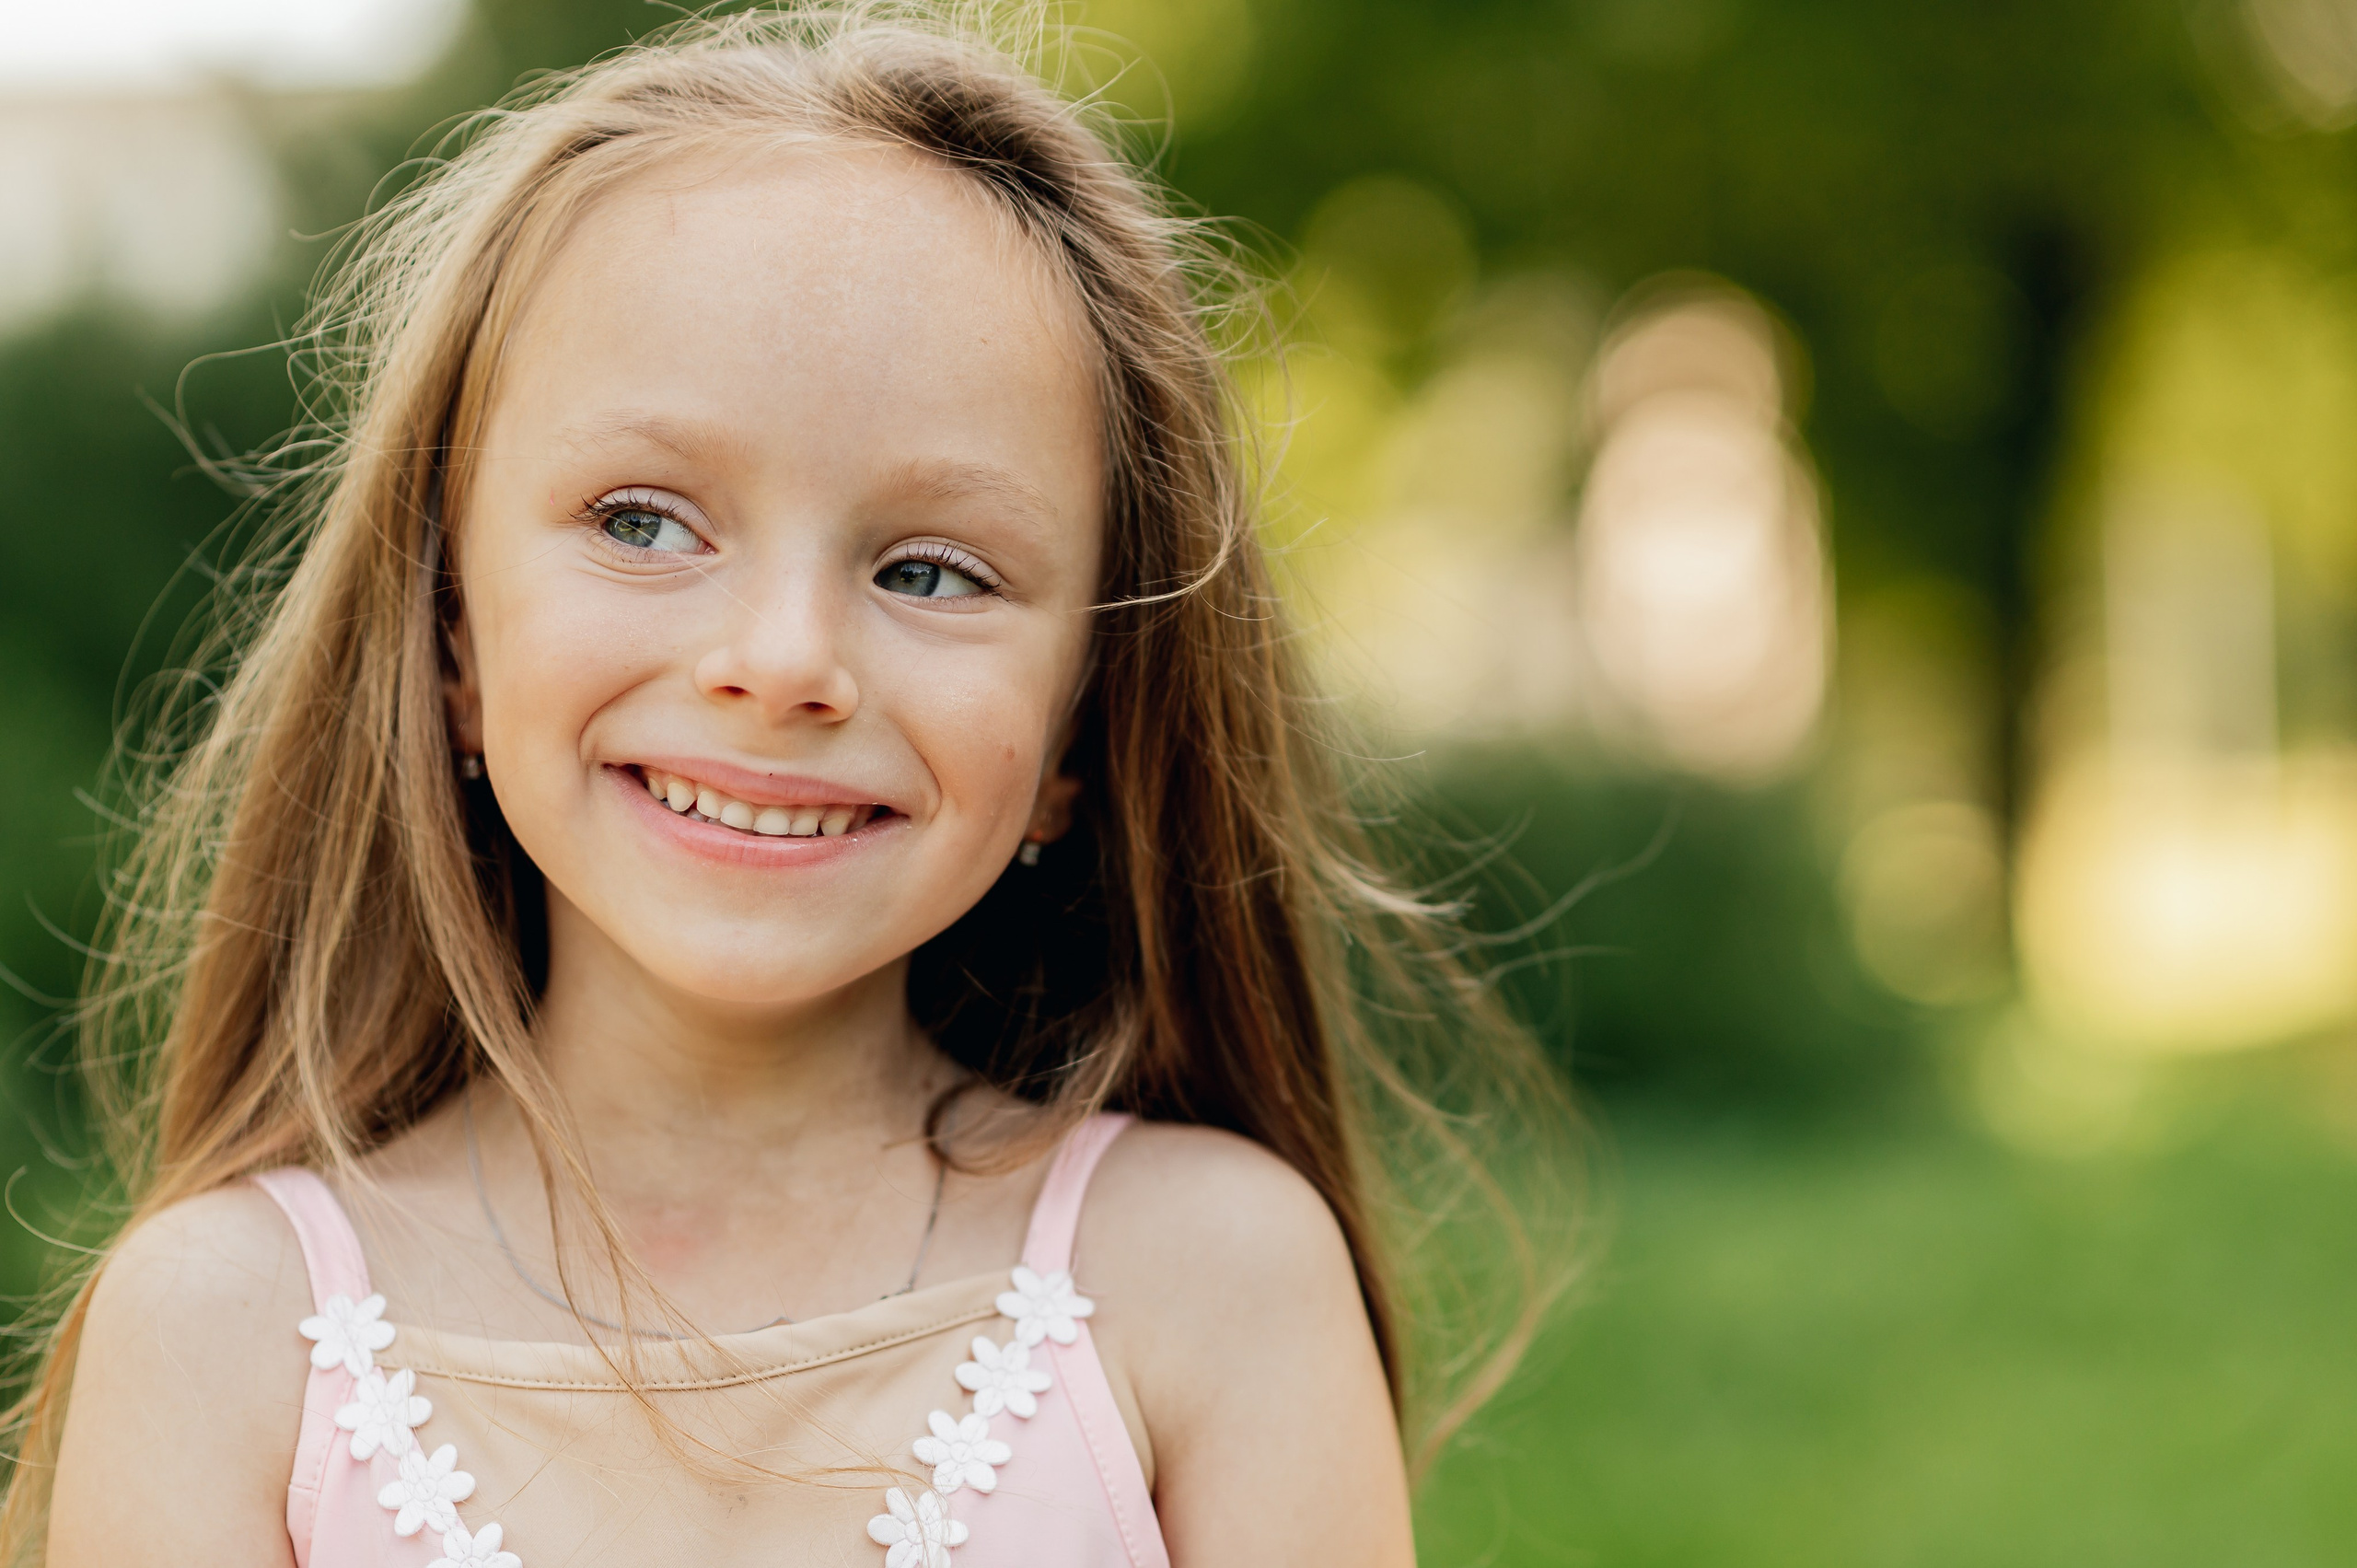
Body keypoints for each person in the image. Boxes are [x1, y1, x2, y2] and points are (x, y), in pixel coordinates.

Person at [13, 7, 1573, 1564]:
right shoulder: (225, 1338)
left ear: (1082, 734)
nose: (782, 661)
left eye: (933, 568)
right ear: (450, 631)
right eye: (641, 522)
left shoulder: (1213, 1283)